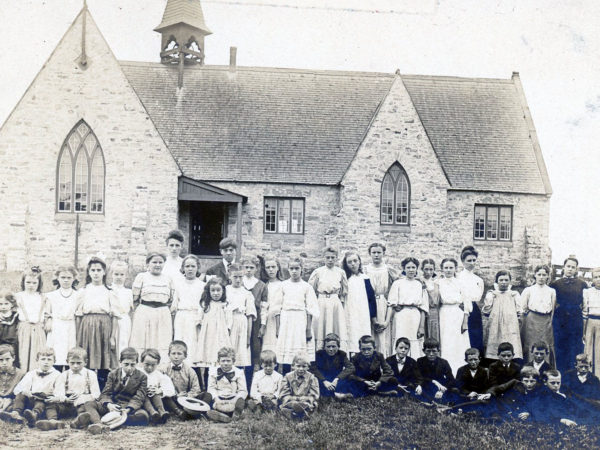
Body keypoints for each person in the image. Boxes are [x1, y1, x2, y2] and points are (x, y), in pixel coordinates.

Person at [85, 347, 149, 434]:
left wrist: (128, 409)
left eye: (132, 365)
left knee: (143, 416)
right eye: (126, 364)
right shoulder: (112, 374)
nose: (129, 368)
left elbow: (139, 397)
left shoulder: (142, 377)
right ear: (120, 362)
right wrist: (109, 405)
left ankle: (115, 420)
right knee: (89, 404)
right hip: (113, 405)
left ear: (137, 363)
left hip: (129, 407)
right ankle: (98, 424)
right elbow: (105, 393)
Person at [75, 257, 118, 385]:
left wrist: (112, 337)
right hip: (87, 325)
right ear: (88, 272)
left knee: (104, 357)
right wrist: (78, 335)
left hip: (104, 325)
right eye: (93, 270)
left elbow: (115, 316)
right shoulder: (83, 291)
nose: (96, 273)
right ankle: (86, 386)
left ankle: (102, 387)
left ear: (104, 272)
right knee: (87, 355)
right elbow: (78, 315)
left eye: (99, 270)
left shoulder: (110, 291)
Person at [274, 258, 319, 370]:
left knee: (300, 349)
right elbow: (277, 308)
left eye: (297, 268)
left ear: (301, 269)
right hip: (286, 320)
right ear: (288, 270)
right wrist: (278, 327)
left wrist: (308, 328)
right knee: (286, 350)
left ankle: (302, 374)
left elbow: (310, 309)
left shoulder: (307, 287)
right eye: (291, 268)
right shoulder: (283, 285)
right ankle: (286, 377)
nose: (294, 271)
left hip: (300, 320)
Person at [130, 252, 175, 361]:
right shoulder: (142, 277)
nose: (157, 265)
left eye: (160, 262)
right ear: (148, 264)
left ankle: (161, 368)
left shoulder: (168, 279)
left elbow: (171, 299)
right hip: (144, 311)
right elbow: (135, 298)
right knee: (142, 339)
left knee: (162, 340)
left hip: (163, 313)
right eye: (154, 262)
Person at [1, 347, 60, 427]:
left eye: (49, 359)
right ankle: (15, 413)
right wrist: (26, 391)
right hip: (31, 398)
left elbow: (59, 391)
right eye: (43, 359)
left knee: (41, 401)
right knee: (20, 394)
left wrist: (54, 396)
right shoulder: (31, 374)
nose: (46, 362)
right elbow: (18, 389)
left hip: (45, 401)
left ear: (54, 362)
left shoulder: (57, 375)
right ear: (37, 361)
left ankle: (34, 415)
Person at [46, 347, 101, 431]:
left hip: (82, 403)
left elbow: (96, 394)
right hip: (67, 404)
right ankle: (52, 421)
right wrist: (65, 399)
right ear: (67, 362)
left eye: (79, 363)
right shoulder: (64, 375)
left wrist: (82, 398)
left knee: (87, 407)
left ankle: (80, 421)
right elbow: (58, 392)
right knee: (51, 404)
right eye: (72, 363)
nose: (75, 366)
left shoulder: (90, 374)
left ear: (85, 362)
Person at [550, 256, 588, 372]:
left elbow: (585, 303)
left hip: (575, 319)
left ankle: (573, 374)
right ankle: (560, 373)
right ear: (564, 267)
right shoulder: (555, 284)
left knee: (574, 347)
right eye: (568, 266)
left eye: (573, 267)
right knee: (560, 346)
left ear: (576, 269)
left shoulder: (582, 284)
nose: (570, 269)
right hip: (560, 319)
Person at [309, 247, 349, 352]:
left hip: (335, 302)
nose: (330, 260)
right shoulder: (318, 272)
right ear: (324, 258)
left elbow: (344, 291)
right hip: (321, 301)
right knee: (320, 327)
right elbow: (311, 291)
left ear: (336, 258)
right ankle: (319, 352)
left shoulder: (341, 272)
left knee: (335, 326)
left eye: (332, 257)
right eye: (328, 257)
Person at [387, 257, 428, 358]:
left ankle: (414, 364)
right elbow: (392, 302)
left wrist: (421, 327)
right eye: (408, 267)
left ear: (417, 269)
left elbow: (423, 307)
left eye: (413, 267)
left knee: (415, 340)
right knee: (401, 338)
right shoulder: (398, 283)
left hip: (415, 315)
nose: (411, 270)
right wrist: (397, 306)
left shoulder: (420, 284)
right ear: (404, 269)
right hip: (401, 315)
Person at [363, 243, 398, 357]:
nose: (376, 255)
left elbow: (401, 280)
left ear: (383, 253)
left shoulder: (388, 269)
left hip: (383, 302)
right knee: (370, 331)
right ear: (370, 254)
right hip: (369, 303)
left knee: (382, 332)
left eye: (379, 252)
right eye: (374, 252)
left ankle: (384, 359)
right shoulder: (365, 270)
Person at [436, 258, 470, 374]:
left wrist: (465, 321)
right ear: (442, 269)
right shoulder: (438, 283)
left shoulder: (461, 283)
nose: (449, 270)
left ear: (455, 268)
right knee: (446, 341)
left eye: (451, 267)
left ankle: (459, 371)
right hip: (444, 313)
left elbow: (467, 302)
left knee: (458, 342)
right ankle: (446, 371)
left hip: (457, 314)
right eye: (446, 267)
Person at [171, 255, 205, 366]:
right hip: (181, 316)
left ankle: (192, 369)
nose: (190, 269)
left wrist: (199, 319)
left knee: (193, 343)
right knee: (180, 341)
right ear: (183, 268)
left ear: (197, 268)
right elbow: (174, 303)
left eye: (193, 266)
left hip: (195, 317)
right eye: (187, 266)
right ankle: (179, 366)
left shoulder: (202, 285)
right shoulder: (178, 284)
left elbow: (203, 305)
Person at [341, 251, 376, 355]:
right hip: (349, 312)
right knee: (350, 333)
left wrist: (373, 317)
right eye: (349, 262)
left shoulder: (365, 278)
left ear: (359, 262)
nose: (353, 264)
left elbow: (371, 299)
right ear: (346, 265)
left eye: (355, 261)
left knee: (362, 332)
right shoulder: (345, 279)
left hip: (363, 313)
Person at [482, 270, 523, 361]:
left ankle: (511, 359)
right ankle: (494, 359)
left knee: (511, 340)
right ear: (497, 281)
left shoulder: (514, 295)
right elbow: (486, 311)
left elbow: (519, 311)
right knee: (495, 340)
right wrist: (490, 298)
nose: (504, 283)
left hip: (510, 323)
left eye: (506, 280)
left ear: (509, 281)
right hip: (495, 324)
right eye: (501, 280)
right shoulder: (492, 294)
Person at [520, 265, 556, 365]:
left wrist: (550, 322)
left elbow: (553, 309)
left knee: (545, 344)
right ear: (535, 275)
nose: (541, 277)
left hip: (546, 321)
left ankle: (545, 368)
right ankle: (529, 367)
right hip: (532, 321)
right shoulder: (529, 290)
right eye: (539, 274)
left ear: (548, 276)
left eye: (544, 275)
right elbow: (522, 308)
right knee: (531, 344)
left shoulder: (551, 291)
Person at [44, 266, 78, 371]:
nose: (66, 280)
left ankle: (68, 377)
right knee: (57, 353)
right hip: (57, 326)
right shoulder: (51, 295)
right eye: (63, 277)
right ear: (57, 278)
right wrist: (48, 320)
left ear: (74, 279)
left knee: (70, 352)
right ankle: (55, 376)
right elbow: (47, 312)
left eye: (69, 277)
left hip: (71, 326)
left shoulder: (78, 295)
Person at [160, 341, 204, 421]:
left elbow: (196, 389)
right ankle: (179, 412)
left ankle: (193, 412)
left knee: (206, 395)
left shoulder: (190, 371)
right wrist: (176, 396)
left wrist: (186, 396)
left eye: (179, 354)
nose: (176, 357)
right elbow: (161, 387)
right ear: (168, 355)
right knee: (163, 397)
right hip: (170, 400)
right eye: (173, 353)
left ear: (185, 356)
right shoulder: (163, 370)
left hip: (186, 400)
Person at [195, 278, 232, 370]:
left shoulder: (225, 305)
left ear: (223, 291)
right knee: (209, 353)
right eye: (213, 290)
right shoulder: (205, 304)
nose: (216, 293)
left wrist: (227, 330)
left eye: (218, 290)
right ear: (208, 291)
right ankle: (208, 377)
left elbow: (229, 320)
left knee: (220, 352)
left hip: (221, 334)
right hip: (208, 334)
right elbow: (199, 320)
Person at [15, 267, 47, 371]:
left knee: (37, 354)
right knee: (23, 355)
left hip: (38, 329)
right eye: (28, 282)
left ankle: (35, 378)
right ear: (23, 282)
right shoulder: (18, 297)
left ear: (39, 283)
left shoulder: (43, 297)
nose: (31, 285)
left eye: (34, 283)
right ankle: (23, 377)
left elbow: (48, 313)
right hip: (24, 329)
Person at [226, 264, 257, 369]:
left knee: (240, 353)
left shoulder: (247, 293)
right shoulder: (225, 290)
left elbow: (249, 316)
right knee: (227, 350)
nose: (238, 280)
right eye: (235, 277)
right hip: (227, 323)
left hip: (241, 323)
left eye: (240, 277)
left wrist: (248, 337)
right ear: (229, 276)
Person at [241, 256, 268, 372]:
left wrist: (263, 325)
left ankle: (251, 374)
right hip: (240, 317)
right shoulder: (238, 281)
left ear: (256, 269)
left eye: (251, 267)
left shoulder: (261, 285)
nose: (248, 270)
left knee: (254, 347)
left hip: (255, 319)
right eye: (246, 267)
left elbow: (264, 307)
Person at [205, 347, 247, 423]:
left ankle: (236, 413)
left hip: (233, 398)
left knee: (241, 401)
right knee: (208, 397)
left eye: (228, 361)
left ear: (233, 361)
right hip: (219, 398)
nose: (225, 363)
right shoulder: (213, 372)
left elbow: (243, 390)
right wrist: (216, 398)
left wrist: (235, 399)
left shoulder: (238, 372)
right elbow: (211, 388)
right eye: (223, 361)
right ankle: (220, 415)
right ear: (218, 361)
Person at [456, 246, 485, 354]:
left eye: (474, 260)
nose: (472, 263)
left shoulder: (478, 280)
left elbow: (478, 296)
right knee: (462, 335)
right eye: (469, 260)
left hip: (474, 309)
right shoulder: (458, 278)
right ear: (463, 262)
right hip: (460, 308)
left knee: (475, 335)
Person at [310, 333, 353, 398]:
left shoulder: (342, 354)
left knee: (349, 378)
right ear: (324, 347)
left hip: (335, 381)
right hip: (322, 380)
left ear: (338, 347)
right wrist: (324, 380)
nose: (331, 349)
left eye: (333, 346)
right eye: (328, 346)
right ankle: (336, 395)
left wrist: (337, 379)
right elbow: (313, 368)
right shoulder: (319, 354)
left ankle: (333, 394)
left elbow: (350, 367)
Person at [279, 352, 319, 419]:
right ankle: (298, 413)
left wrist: (306, 399)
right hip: (291, 400)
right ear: (293, 366)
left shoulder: (311, 378)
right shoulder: (287, 377)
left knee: (310, 405)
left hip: (305, 401)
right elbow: (284, 393)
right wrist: (294, 399)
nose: (301, 369)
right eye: (298, 366)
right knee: (289, 404)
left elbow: (314, 394)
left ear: (308, 367)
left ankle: (297, 413)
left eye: (304, 366)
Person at [139, 348, 174, 424]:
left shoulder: (159, 375)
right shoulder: (138, 373)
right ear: (141, 362)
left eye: (153, 365)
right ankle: (153, 413)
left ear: (158, 363)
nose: (150, 368)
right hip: (141, 399)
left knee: (156, 394)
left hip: (155, 399)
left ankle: (162, 412)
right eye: (147, 364)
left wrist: (159, 390)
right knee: (144, 396)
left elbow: (171, 390)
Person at [416, 338, 456, 403]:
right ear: (423, 351)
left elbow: (451, 379)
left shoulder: (444, 362)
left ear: (438, 351)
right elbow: (419, 377)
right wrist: (433, 381)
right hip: (426, 386)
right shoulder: (420, 361)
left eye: (434, 351)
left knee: (454, 391)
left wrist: (442, 390)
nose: (431, 354)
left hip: (441, 387)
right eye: (428, 351)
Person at [259, 257, 284, 354]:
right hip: (268, 319)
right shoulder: (264, 285)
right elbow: (264, 305)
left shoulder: (283, 285)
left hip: (281, 318)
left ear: (278, 268)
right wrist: (263, 324)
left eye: (273, 267)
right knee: (269, 346)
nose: (271, 270)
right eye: (268, 267)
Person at [109, 261, 134, 357]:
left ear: (126, 276)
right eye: (116, 274)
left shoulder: (128, 292)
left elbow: (131, 311)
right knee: (112, 344)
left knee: (123, 343)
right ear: (111, 275)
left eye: (122, 274)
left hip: (124, 320)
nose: (119, 277)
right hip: (112, 320)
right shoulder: (109, 290)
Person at [583, 268, 600, 377]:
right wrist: (584, 331)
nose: (598, 279)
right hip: (590, 321)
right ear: (592, 279)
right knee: (588, 349)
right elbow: (585, 312)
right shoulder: (587, 292)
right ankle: (588, 376)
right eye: (596, 277)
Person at [0, 344, 25, 414]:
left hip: (12, 400)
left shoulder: (21, 374)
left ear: (13, 358)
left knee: (21, 396)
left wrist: (9, 399)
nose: (4, 363)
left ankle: (13, 412)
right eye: (1, 360)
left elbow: (19, 394)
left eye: (7, 359)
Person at [421, 259, 440, 343]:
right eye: (426, 269)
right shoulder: (419, 281)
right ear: (422, 269)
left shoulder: (436, 283)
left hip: (434, 314)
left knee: (434, 336)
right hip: (422, 313)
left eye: (431, 269)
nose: (428, 272)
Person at [0, 292, 19, 365]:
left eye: (6, 304)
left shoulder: (16, 316)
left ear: (12, 304)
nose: (3, 306)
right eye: (0, 304)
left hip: (13, 343)